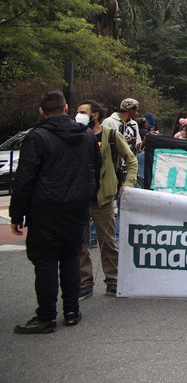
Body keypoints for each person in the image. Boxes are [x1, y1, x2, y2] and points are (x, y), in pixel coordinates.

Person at [9, 91, 97, 333]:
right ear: (66, 108)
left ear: (41, 111)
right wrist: (89, 198)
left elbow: (25, 178)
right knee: (71, 256)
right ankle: (72, 310)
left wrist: (17, 214)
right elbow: (95, 168)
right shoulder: (86, 134)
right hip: (77, 206)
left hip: (46, 208)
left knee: (45, 262)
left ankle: (46, 316)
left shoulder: (37, 137)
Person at [75, 99, 137, 299]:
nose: (78, 115)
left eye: (83, 112)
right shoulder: (75, 135)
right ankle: (85, 282)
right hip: (79, 198)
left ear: (95, 115)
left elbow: (131, 159)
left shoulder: (110, 135)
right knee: (80, 242)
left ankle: (113, 280)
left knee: (108, 242)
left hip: (103, 197)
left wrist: (128, 183)